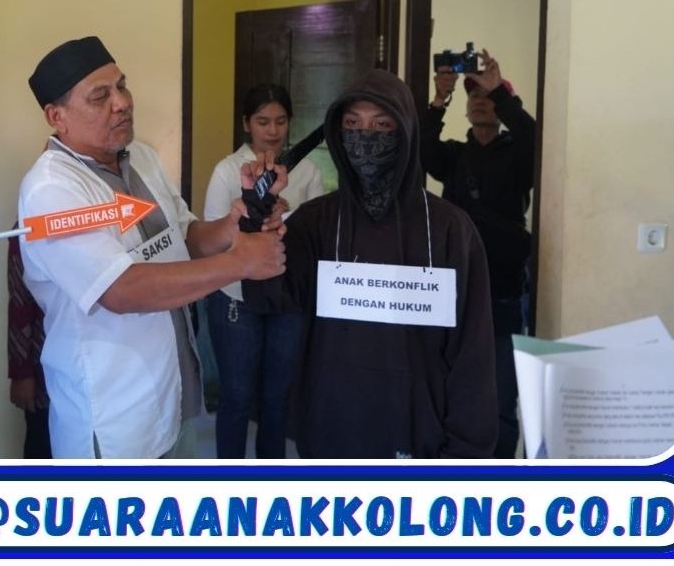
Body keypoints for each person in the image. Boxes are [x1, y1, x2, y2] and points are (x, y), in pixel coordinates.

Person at [17, 36, 287, 459]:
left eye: (122, 86)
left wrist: (234, 225)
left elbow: (184, 236)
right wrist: (240, 263)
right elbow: (121, 290)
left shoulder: (140, 156)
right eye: (100, 97)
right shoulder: (52, 189)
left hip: (175, 392)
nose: (122, 103)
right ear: (57, 116)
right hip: (116, 417)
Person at [246, 68, 496, 458]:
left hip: (421, 443)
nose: (365, 136)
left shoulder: (450, 229)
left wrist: (466, 456)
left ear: (405, 131)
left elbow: (473, 353)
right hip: (329, 435)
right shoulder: (315, 221)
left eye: (381, 125)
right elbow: (267, 296)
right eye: (352, 124)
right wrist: (257, 217)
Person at [420, 48, 536, 459]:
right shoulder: (453, 156)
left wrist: (501, 91)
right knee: (448, 390)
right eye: (474, 96)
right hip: (453, 291)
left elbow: (534, 137)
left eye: (488, 96)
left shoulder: (520, 157)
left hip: (504, 293)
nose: (481, 101)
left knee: (501, 401)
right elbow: (420, 148)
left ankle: (499, 478)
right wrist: (440, 98)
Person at [203, 83, 324, 458]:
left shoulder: (307, 171)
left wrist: (287, 215)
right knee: (237, 395)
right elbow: (212, 240)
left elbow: (316, 238)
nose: (272, 130)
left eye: (280, 121)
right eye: (262, 121)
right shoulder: (228, 171)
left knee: (277, 397)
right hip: (236, 295)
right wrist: (255, 214)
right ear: (246, 123)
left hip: (287, 297)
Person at [6, 231, 52, 458]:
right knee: (43, 444)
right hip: (43, 367)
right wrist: (21, 372)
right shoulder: (28, 227)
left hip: (103, 368)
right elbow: (20, 300)